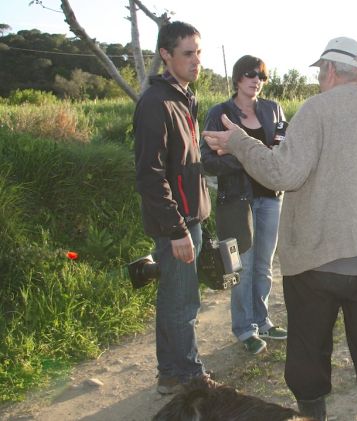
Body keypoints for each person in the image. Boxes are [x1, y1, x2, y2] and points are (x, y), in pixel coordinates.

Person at [203, 36, 357, 421]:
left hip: (318, 260)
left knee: (309, 349)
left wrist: (241, 144)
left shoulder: (316, 110)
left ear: (329, 70)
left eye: (319, 72)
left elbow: (284, 174)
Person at [132, 21, 213, 394]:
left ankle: (170, 374)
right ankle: (190, 377)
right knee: (183, 304)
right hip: (176, 223)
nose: (197, 60)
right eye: (188, 53)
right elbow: (150, 175)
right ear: (166, 55)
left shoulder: (184, 97)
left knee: (173, 298)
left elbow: (181, 163)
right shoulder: (155, 103)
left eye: (199, 52)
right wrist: (178, 229)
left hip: (188, 217)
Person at [200, 55, 288, 356]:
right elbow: (208, 160)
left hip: (270, 196)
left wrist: (270, 153)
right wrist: (245, 158)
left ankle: (263, 321)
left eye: (262, 76)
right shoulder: (220, 112)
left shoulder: (272, 108)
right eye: (251, 74)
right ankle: (244, 329)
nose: (257, 81)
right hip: (237, 201)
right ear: (238, 78)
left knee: (264, 265)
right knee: (243, 267)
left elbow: (281, 147)